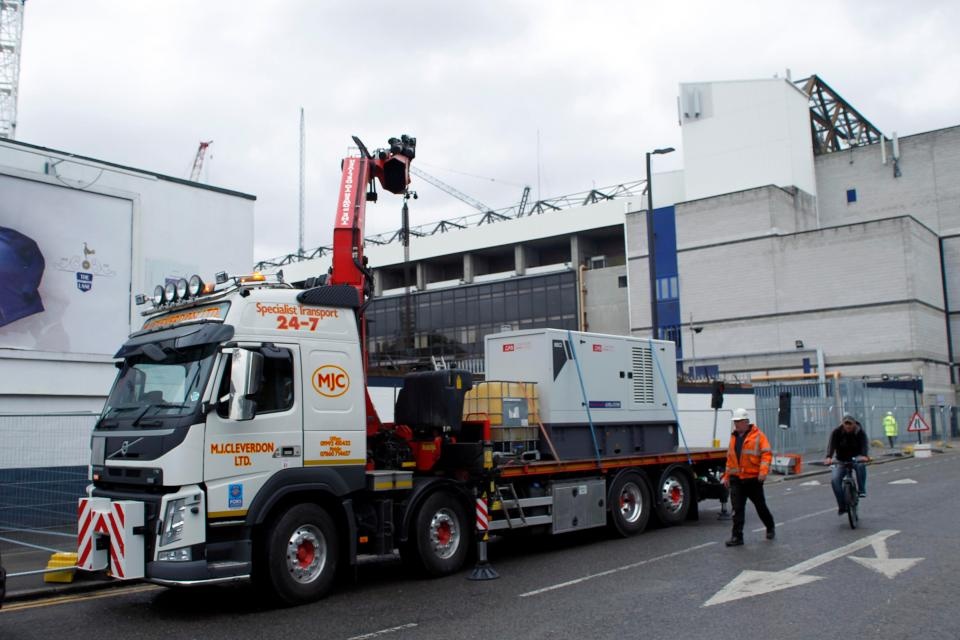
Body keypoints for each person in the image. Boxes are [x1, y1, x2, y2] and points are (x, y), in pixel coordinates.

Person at [721, 408, 775, 546]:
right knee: (737, 509)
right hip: (737, 479)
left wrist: (763, 472)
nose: (736, 424)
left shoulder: (758, 436)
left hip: (753, 479)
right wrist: (727, 476)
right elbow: (730, 459)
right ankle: (737, 537)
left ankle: (770, 526)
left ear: (746, 422)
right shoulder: (733, 437)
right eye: (735, 421)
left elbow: (766, 454)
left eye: (738, 421)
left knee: (760, 506)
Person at [824, 414, 869, 514]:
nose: (848, 426)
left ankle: (862, 490)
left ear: (854, 424)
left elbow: (864, 444)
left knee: (860, 466)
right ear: (843, 424)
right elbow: (831, 444)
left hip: (856, 458)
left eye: (850, 424)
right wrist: (829, 457)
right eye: (846, 424)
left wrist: (864, 456)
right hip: (841, 459)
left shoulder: (859, 432)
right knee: (835, 480)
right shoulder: (837, 432)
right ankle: (842, 506)